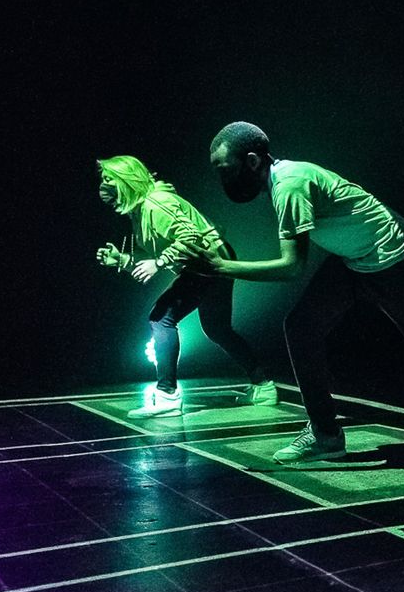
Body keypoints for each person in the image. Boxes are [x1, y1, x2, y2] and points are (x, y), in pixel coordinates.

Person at [177, 122, 404, 463]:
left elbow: (292, 267)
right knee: (300, 327)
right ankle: (325, 435)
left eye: (226, 170)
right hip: (355, 259)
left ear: (251, 162)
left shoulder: (289, 186)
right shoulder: (283, 179)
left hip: (395, 260)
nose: (224, 181)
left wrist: (218, 266)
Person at [95, 154, 277, 418]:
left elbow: (191, 236)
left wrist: (158, 263)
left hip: (209, 260)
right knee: (217, 328)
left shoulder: (156, 204)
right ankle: (264, 385)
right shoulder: (140, 212)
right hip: (210, 260)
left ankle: (167, 395)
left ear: (126, 180)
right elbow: (161, 248)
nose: (104, 184)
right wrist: (122, 260)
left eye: (109, 178)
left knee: (161, 318)